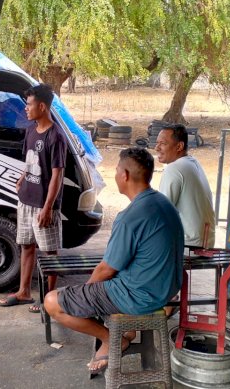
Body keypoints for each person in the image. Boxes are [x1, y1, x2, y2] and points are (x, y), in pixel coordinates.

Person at [44, 148, 184, 375]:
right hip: (165, 291)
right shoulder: (163, 204)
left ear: (125, 175)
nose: (116, 174)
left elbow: (106, 269)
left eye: (117, 169)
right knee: (97, 287)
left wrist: (86, 293)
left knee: (52, 301)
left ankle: (111, 339)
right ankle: (126, 332)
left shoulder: (131, 217)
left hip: (140, 297)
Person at [0, 84, 66, 313]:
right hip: (26, 199)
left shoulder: (56, 137)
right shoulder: (30, 130)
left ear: (42, 106)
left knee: (49, 252)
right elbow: (31, 160)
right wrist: (22, 177)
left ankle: (48, 299)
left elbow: (57, 175)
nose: (25, 109)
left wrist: (47, 208)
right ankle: (24, 292)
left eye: (28, 104)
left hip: (43, 205)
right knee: (26, 246)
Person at [155, 124, 216, 248]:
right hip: (205, 242)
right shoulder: (193, 163)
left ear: (179, 146)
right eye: (157, 143)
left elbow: (161, 214)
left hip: (188, 245)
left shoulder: (174, 168)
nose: (157, 148)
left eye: (163, 143)